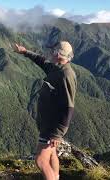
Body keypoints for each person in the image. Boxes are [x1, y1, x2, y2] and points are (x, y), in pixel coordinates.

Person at [13, 41, 77, 180]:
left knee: (41, 160)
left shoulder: (65, 75)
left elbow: (69, 106)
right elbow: (42, 61)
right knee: (52, 154)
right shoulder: (57, 68)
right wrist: (25, 52)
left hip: (52, 128)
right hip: (48, 124)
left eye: (53, 51)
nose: (50, 53)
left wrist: (58, 134)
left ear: (58, 54)